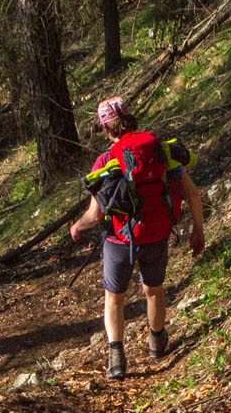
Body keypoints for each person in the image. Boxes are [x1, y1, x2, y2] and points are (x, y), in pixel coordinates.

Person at [68, 96, 205, 378]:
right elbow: (191, 193)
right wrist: (198, 230)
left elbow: (95, 215)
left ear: (106, 128)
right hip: (156, 232)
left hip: (120, 240)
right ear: (130, 119)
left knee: (114, 298)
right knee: (153, 289)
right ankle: (156, 341)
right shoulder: (159, 151)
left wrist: (77, 227)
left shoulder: (106, 161)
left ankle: (116, 358)